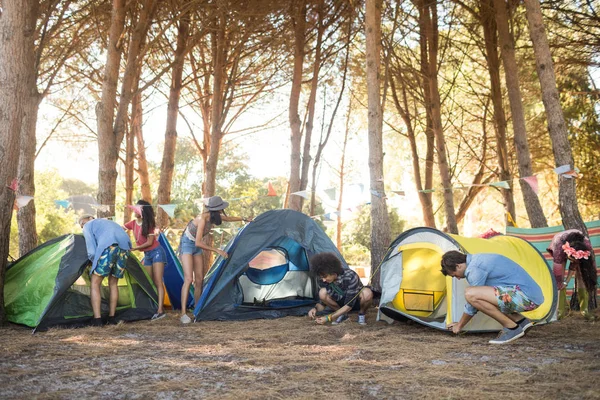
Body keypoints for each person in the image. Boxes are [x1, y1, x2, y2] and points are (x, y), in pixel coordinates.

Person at [440, 250, 544, 344]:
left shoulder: (474, 269)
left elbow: (472, 303)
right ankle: (520, 321)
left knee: (470, 293)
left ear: (458, 266)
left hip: (526, 297)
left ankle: (512, 328)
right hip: (530, 296)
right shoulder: (478, 259)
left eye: (454, 275)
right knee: (484, 296)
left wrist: (459, 325)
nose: (457, 278)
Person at [178, 195, 249, 324]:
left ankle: (197, 310)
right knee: (189, 279)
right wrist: (217, 250)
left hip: (196, 247)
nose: (222, 211)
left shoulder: (214, 217)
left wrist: (244, 219)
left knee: (199, 280)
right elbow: (198, 242)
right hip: (187, 244)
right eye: (221, 209)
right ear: (217, 210)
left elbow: (229, 218)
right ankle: (183, 313)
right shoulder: (202, 219)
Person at [80, 214, 131, 327]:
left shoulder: (88, 225)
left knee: (95, 283)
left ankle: (97, 320)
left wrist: (93, 262)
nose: (82, 226)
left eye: (81, 223)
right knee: (113, 283)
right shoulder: (107, 223)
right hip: (125, 248)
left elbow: (92, 251)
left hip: (109, 247)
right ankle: (112, 318)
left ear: (88, 219)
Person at [124, 200, 167, 321]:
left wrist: (134, 248)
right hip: (147, 255)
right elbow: (121, 228)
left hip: (157, 252)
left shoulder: (149, 224)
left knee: (158, 281)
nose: (134, 211)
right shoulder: (132, 223)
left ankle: (160, 310)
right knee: (149, 281)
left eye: (137, 209)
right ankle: (152, 307)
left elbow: (150, 242)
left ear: (142, 212)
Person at [307, 252, 373, 326]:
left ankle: (361, 314)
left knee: (367, 293)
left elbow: (349, 304)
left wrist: (329, 318)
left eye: (325, 277)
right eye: (322, 277)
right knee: (322, 292)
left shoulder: (351, 276)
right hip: (340, 303)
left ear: (334, 273)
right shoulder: (324, 280)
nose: (323, 280)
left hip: (355, 302)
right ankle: (342, 315)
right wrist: (315, 309)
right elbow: (322, 303)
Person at [547, 229, 597, 320]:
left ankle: (584, 310)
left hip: (578, 247)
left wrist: (567, 281)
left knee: (583, 277)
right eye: (571, 259)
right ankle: (560, 311)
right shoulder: (559, 250)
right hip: (559, 244)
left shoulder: (586, 246)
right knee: (558, 281)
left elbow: (574, 265)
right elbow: (558, 277)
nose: (572, 262)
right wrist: (563, 283)